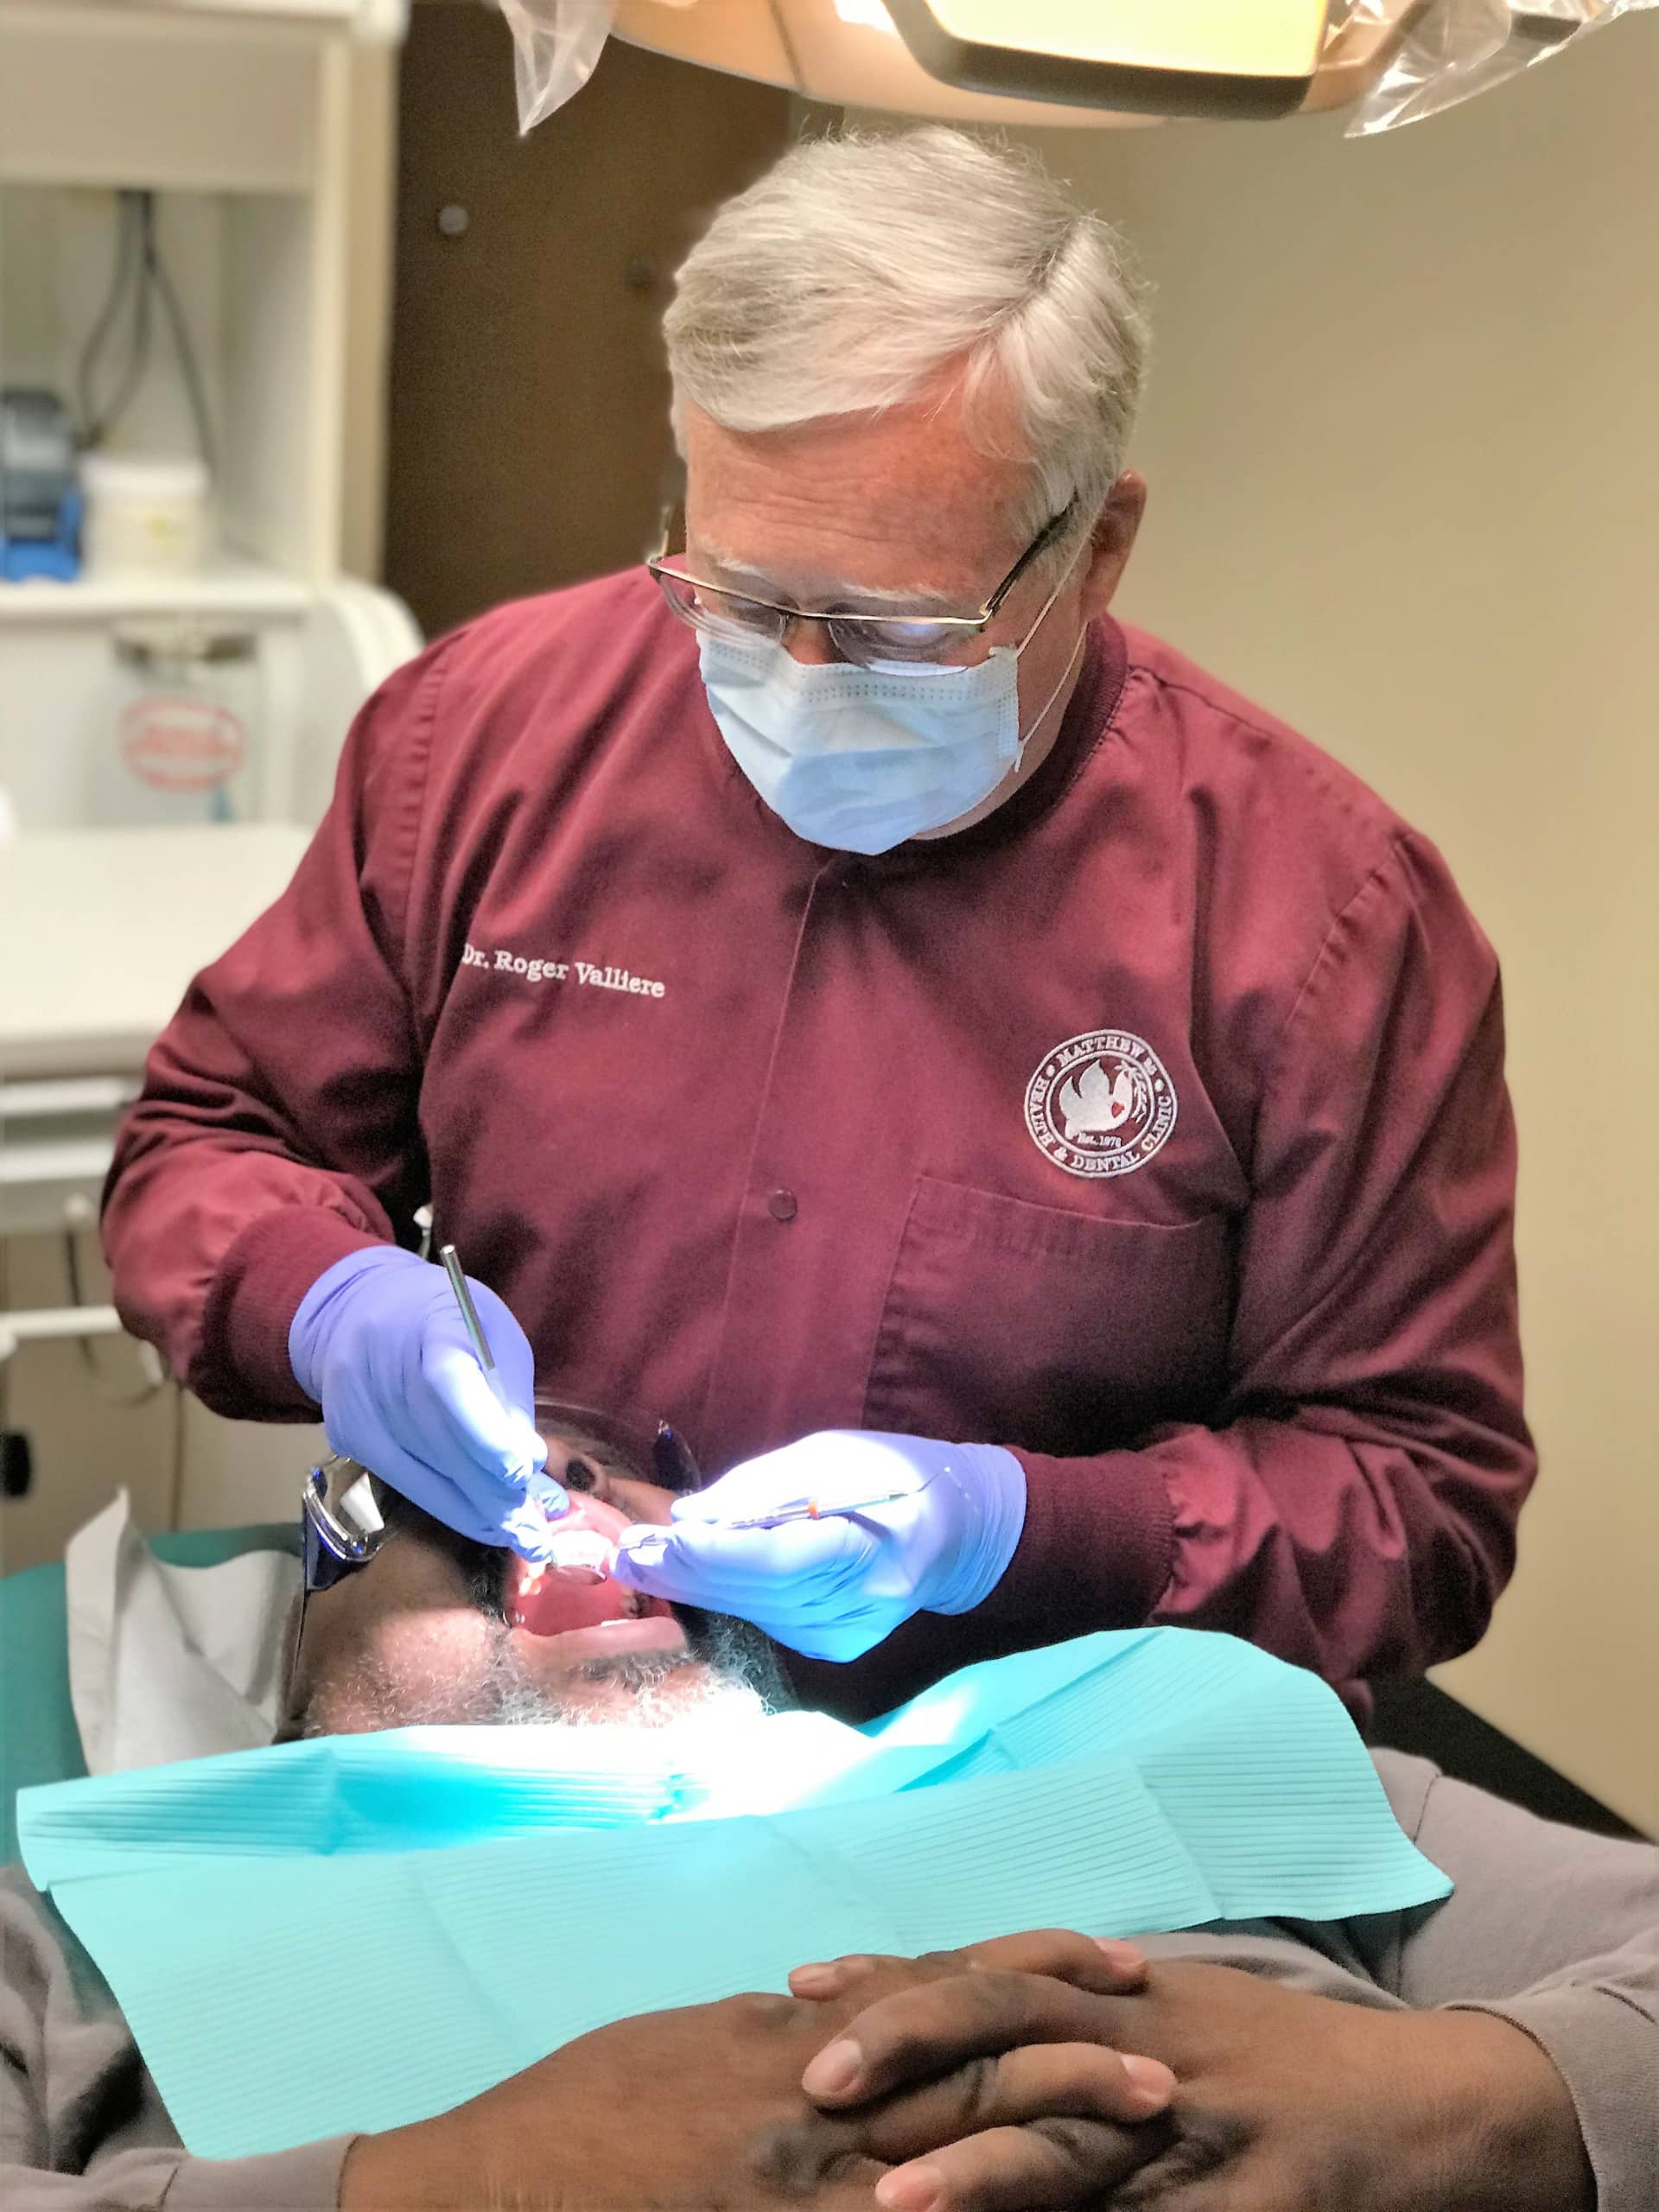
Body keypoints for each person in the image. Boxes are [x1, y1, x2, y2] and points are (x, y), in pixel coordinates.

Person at [102, 124, 1534, 1723]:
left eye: (894, 627)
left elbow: (1420, 1504)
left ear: (1099, 548)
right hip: (533, 1714)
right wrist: (325, 1302)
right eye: (729, 591)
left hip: (1014, 1769)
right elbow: (203, 1143)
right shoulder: (488, 739)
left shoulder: (1316, 922)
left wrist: (1012, 1530)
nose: (793, 674)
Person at [3, 1489, 1654, 2212]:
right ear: (293, 1705)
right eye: (437, 1515)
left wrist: (1464, 2113)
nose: (554, 1496)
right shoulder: (91, 1925)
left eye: (607, 1467)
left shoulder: (1169, 1740)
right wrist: (453, 2187)